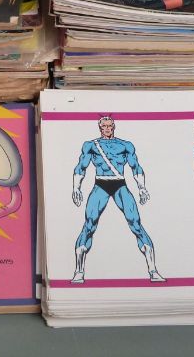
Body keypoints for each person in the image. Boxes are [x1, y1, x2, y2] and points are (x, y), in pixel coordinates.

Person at [70, 116, 165, 283]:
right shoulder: (91, 145)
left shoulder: (125, 145)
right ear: (100, 127)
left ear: (114, 126)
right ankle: (79, 271)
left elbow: (135, 167)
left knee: (135, 223)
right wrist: (76, 187)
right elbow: (81, 166)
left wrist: (142, 187)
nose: (107, 128)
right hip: (101, 184)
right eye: (104, 126)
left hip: (120, 184)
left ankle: (153, 270)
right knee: (89, 224)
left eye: (109, 125)